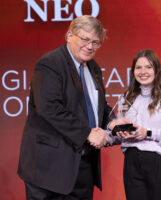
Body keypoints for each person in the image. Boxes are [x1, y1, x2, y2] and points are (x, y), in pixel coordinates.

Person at [17, 15, 125, 199]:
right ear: (69, 36)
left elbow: (98, 105)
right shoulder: (50, 63)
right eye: (85, 39)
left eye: (95, 42)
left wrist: (114, 122)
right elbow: (49, 108)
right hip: (49, 170)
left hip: (82, 166)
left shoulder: (94, 68)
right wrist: (87, 133)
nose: (90, 46)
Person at [107, 49, 161, 200]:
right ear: (133, 71)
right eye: (138, 67)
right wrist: (111, 134)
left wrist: (148, 133)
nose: (143, 71)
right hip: (132, 165)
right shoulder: (127, 97)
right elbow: (121, 135)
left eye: (148, 67)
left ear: (156, 69)